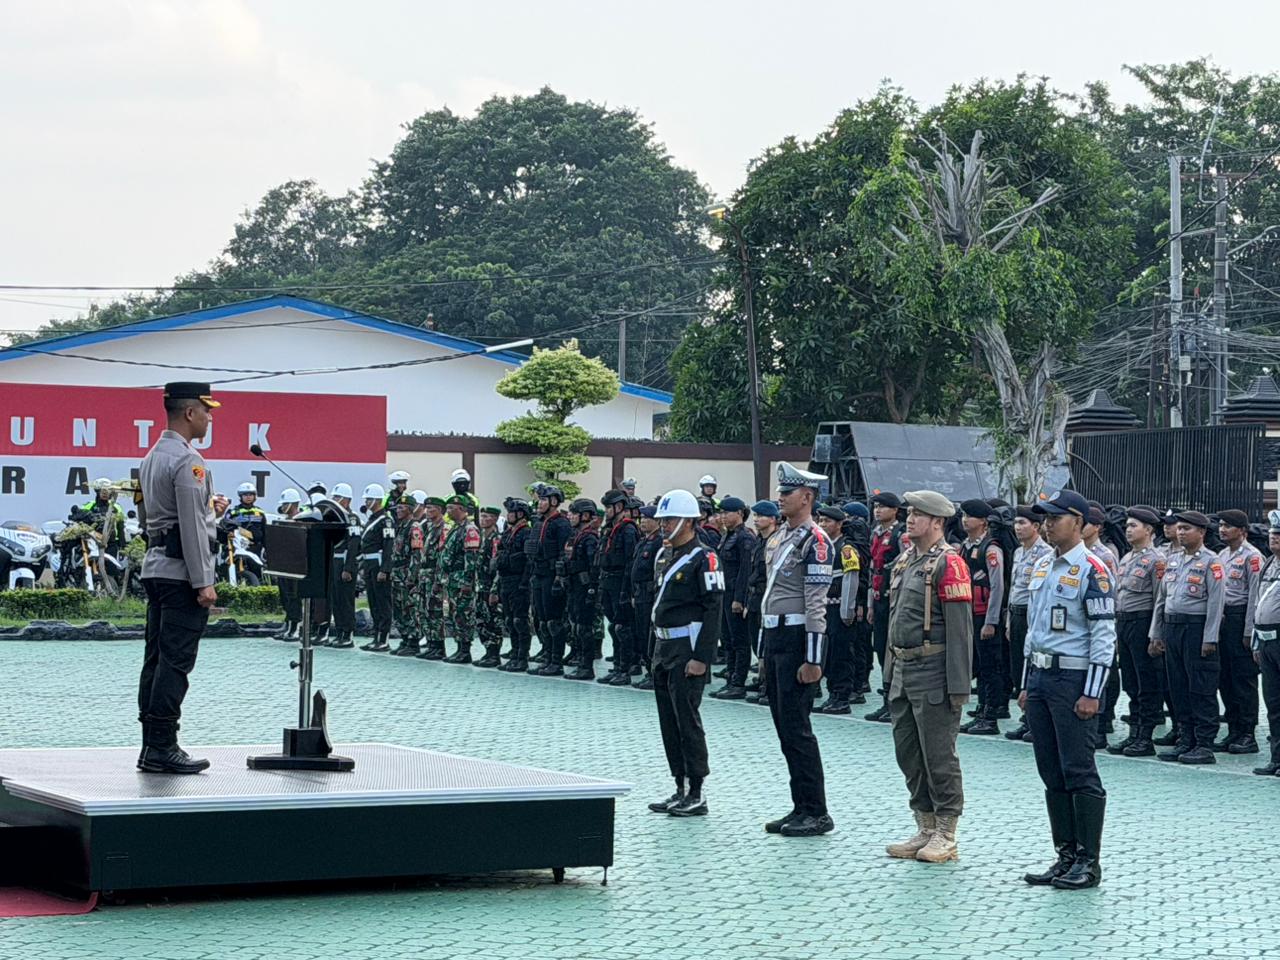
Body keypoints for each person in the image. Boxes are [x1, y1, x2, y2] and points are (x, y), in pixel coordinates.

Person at [1021, 490, 1115, 891]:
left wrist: (1093, 692)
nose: (1047, 524)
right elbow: (1034, 627)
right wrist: (1027, 681)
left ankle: (1088, 863)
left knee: (1079, 770)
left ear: (1077, 522)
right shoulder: (1043, 565)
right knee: (1051, 770)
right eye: (1044, 518)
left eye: (1055, 518)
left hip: (1073, 680)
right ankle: (1065, 856)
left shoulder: (1093, 569)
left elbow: (1104, 636)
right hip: (1042, 678)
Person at [135, 382, 224, 774]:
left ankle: (150, 744)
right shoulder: (189, 461)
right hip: (181, 575)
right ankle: (163, 746)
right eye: (206, 410)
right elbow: (189, 526)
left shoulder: (152, 457)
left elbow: (151, 520)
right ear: (189, 413)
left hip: (156, 566)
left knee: (155, 660)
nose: (210, 417)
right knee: (175, 663)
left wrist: (210, 512)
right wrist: (204, 581)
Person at [882, 490, 974, 863]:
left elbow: (960, 631)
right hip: (903, 668)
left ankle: (946, 833)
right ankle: (924, 826)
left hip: (934, 670)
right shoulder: (905, 560)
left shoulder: (949, 564)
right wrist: (889, 672)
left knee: (938, 755)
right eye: (909, 513)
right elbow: (893, 619)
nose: (910, 519)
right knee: (909, 753)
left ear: (937, 521)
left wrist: (958, 685)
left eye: (919, 514)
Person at [760, 462, 834, 838]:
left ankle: (816, 810)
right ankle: (799, 805)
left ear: (806, 497)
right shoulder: (779, 537)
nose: (780, 498)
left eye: (787, 493)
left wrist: (813, 658)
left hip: (796, 641)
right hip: (775, 638)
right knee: (784, 729)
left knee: (798, 728)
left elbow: (816, 604)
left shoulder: (815, 541)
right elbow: (769, 598)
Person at [646, 489, 724, 818]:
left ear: (690, 521)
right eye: (662, 520)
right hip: (664, 647)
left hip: (687, 649)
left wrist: (702, 658)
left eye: (671, 520)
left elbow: (713, 609)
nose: (664, 525)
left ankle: (696, 790)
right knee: (669, 721)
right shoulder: (663, 556)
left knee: (687, 720)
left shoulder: (704, 558)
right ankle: (678, 785)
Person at [1150, 510, 1226, 764]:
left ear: (1202, 532)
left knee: (1200, 687)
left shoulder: (1211, 562)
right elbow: (1162, 600)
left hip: (1197, 629)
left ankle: (1204, 743)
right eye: (1179, 528)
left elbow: (1216, 603)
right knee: (1178, 686)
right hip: (1173, 627)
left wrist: (1210, 638)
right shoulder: (1173, 560)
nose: (1181, 532)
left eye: (1187, 528)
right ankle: (1185, 739)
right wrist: (1156, 633)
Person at [1106, 506, 1164, 757]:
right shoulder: (1127, 558)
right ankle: (1134, 733)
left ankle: (1146, 736)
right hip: (1124, 622)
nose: (1128, 530)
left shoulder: (1156, 560)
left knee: (1146, 682)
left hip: (1143, 623)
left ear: (1149, 530)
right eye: (1127, 526)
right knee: (1131, 681)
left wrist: (1155, 634)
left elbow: (1159, 600)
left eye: (1133, 526)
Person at [1215, 509, 1262, 754]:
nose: (1222, 529)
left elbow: (1255, 595)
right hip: (1223, 619)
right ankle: (1233, 728)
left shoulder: (1252, 557)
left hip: (1240, 616)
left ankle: (1247, 732)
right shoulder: (1222, 555)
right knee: (1225, 677)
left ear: (1242, 531)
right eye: (1221, 525)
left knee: (1243, 678)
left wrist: (1248, 630)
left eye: (1228, 526)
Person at [958, 499, 1007, 735]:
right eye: (963, 516)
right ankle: (980, 710)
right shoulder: (964, 546)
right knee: (978, 665)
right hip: (969, 614)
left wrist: (991, 621)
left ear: (983, 522)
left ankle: (991, 716)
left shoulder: (991, 548)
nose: (965, 520)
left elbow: (997, 587)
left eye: (970, 517)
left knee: (990, 666)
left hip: (984, 614)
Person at [1005, 506, 1051, 742]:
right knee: (1017, 669)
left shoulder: (1045, 554)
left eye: (1023, 523)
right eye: (1016, 523)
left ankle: (1035, 721)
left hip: (1032, 615)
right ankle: (1026, 719)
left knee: (1031, 667)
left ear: (1036, 526)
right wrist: (1008, 621)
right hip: (1016, 613)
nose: (1018, 527)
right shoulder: (1018, 552)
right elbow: (1014, 588)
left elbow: (1041, 594)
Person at [814, 505, 860, 715]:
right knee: (829, 654)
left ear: (840, 524)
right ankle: (832, 693)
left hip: (839, 608)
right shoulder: (823, 546)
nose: (823, 525)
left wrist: (847, 610)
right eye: (821, 521)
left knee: (841, 654)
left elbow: (851, 580)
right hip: (825, 608)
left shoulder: (846, 549)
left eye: (828, 522)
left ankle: (842, 697)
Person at [866, 492, 906, 723]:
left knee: (893, 652)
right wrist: (871, 603)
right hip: (879, 597)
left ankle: (894, 702)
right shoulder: (876, 533)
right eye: (876, 507)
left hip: (894, 598)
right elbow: (874, 569)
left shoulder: (901, 535)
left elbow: (903, 566)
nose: (878, 511)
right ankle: (885, 700)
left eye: (883, 507)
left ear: (894, 510)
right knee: (880, 649)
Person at [710, 497, 756, 700]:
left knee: (739, 640)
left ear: (739, 513)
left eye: (727, 513)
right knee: (727, 639)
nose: (722, 517)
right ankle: (731, 678)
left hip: (735, 596)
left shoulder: (744, 538)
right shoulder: (727, 536)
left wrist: (740, 599)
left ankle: (738, 682)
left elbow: (745, 572)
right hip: (724, 594)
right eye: (721, 513)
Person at [597, 490, 640, 685]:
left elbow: (630, 562)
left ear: (619, 507)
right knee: (614, 627)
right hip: (608, 581)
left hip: (620, 581)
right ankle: (617, 666)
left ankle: (626, 668)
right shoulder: (610, 529)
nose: (606, 511)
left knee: (623, 628)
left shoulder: (628, 530)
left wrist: (626, 590)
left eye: (608, 507)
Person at [530, 487, 572, 675]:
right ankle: (547, 656)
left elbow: (564, 552)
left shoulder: (561, 524)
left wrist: (559, 577)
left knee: (554, 621)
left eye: (544, 499)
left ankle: (556, 661)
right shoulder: (539, 522)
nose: (540, 503)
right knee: (542, 619)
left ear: (554, 502)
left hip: (551, 575)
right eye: (539, 499)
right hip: (538, 573)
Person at [439, 495, 483, 664]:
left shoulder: (469, 529)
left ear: (462, 510)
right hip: (452, 579)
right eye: (448, 508)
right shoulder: (455, 528)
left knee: (464, 614)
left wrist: (467, 581)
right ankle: (459, 648)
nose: (448, 511)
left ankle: (465, 651)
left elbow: (471, 558)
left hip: (462, 579)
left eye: (452, 508)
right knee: (455, 614)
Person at [746, 500, 781, 707]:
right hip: (755, 597)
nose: (757, 520)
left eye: (761, 516)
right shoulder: (759, 541)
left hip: (769, 597)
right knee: (757, 643)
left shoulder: (777, 541)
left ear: (773, 519)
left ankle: (769, 687)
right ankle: (762, 681)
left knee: (768, 644)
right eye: (756, 516)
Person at [1251, 522, 1280, 776]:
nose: (1275, 538)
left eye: (1279, 534)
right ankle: (1277, 758)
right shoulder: (1269, 564)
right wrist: (1256, 641)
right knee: (1273, 702)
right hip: (1267, 640)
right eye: (1273, 534)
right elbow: (1258, 602)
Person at [563, 498, 602, 681]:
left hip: (585, 587)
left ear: (585, 516)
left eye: (574, 513)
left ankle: (586, 666)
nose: (570, 516)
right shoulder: (577, 535)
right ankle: (580, 661)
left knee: (584, 627)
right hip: (575, 586)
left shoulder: (590, 537)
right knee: (577, 625)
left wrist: (592, 589)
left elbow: (593, 565)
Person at [495, 498, 533, 672]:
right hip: (506, 580)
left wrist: (525, 583)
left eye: (511, 512)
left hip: (519, 581)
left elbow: (528, 561)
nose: (508, 515)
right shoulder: (508, 533)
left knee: (519, 620)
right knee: (509, 620)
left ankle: (522, 656)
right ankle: (515, 651)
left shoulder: (526, 533)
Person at [356, 484, 395, 652]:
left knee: (382, 601)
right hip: (369, 563)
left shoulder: (386, 520)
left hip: (379, 563)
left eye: (369, 499)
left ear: (377, 500)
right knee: (373, 601)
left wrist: (385, 569)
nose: (367, 502)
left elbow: (388, 546)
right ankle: (376, 636)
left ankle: (384, 638)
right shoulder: (372, 519)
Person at [324, 482, 359, 649]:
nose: (336, 500)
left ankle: (347, 634)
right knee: (335, 599)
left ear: (348, 500)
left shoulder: (352, 519)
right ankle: (339, 631)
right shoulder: (335, 518)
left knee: (345, 599)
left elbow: (353, 545)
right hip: (334, 560)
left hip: (345, 560)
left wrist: (348, 568)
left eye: (339, 497)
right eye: (334, 497)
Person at [631, 504, 662, 690]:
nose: (643, 522)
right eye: (642, 519)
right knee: (641, 632)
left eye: (647, 519)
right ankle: (647, 668)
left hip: (650, 594)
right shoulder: (644, 541)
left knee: (650, 634)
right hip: (639, 593)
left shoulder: (659, 542)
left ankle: (653, 672)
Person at [414, 497, 449, 661]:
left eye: (432, 508)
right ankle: (430, 643)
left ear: (440, 510)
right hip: (424, 575)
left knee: (435, 611)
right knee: (424, 610)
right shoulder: (427, 528)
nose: (428, 511)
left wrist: (439, 580)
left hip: (435, 575)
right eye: (427, 508)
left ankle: (438, 646)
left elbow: (443, 556)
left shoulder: (444, 529)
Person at [388, 496, 421, 656]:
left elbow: (416, 554)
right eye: (398, 508)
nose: (398, 511)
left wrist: (412, 576)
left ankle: (413, 641)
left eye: (402, 508)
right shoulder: (401, 526)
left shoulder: (414, 528)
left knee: (409, 607)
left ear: (410, 509)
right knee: (399, 607)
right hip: (397, 572)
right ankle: (405, 638)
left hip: (406, 572)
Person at [272, 488, 304, 642]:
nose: (284, 507)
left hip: (296, 566)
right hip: (284, 565)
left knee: (294, 597)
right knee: (286, 596)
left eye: (286, 504)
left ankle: (296, 627)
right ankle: (288, 623)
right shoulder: (283, 520)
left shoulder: (302, 520)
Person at [474, 506, 505, 668]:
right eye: (482, 516)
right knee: (481, 620)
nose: (483, 520)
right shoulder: (482, 538)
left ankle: (494, 654)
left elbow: (497, 567)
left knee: (493, 620)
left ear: (494, 519)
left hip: (490, 586)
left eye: (487, 517)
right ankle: (487, 651)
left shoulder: (495, 540)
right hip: (480, 586)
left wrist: (494, 590)